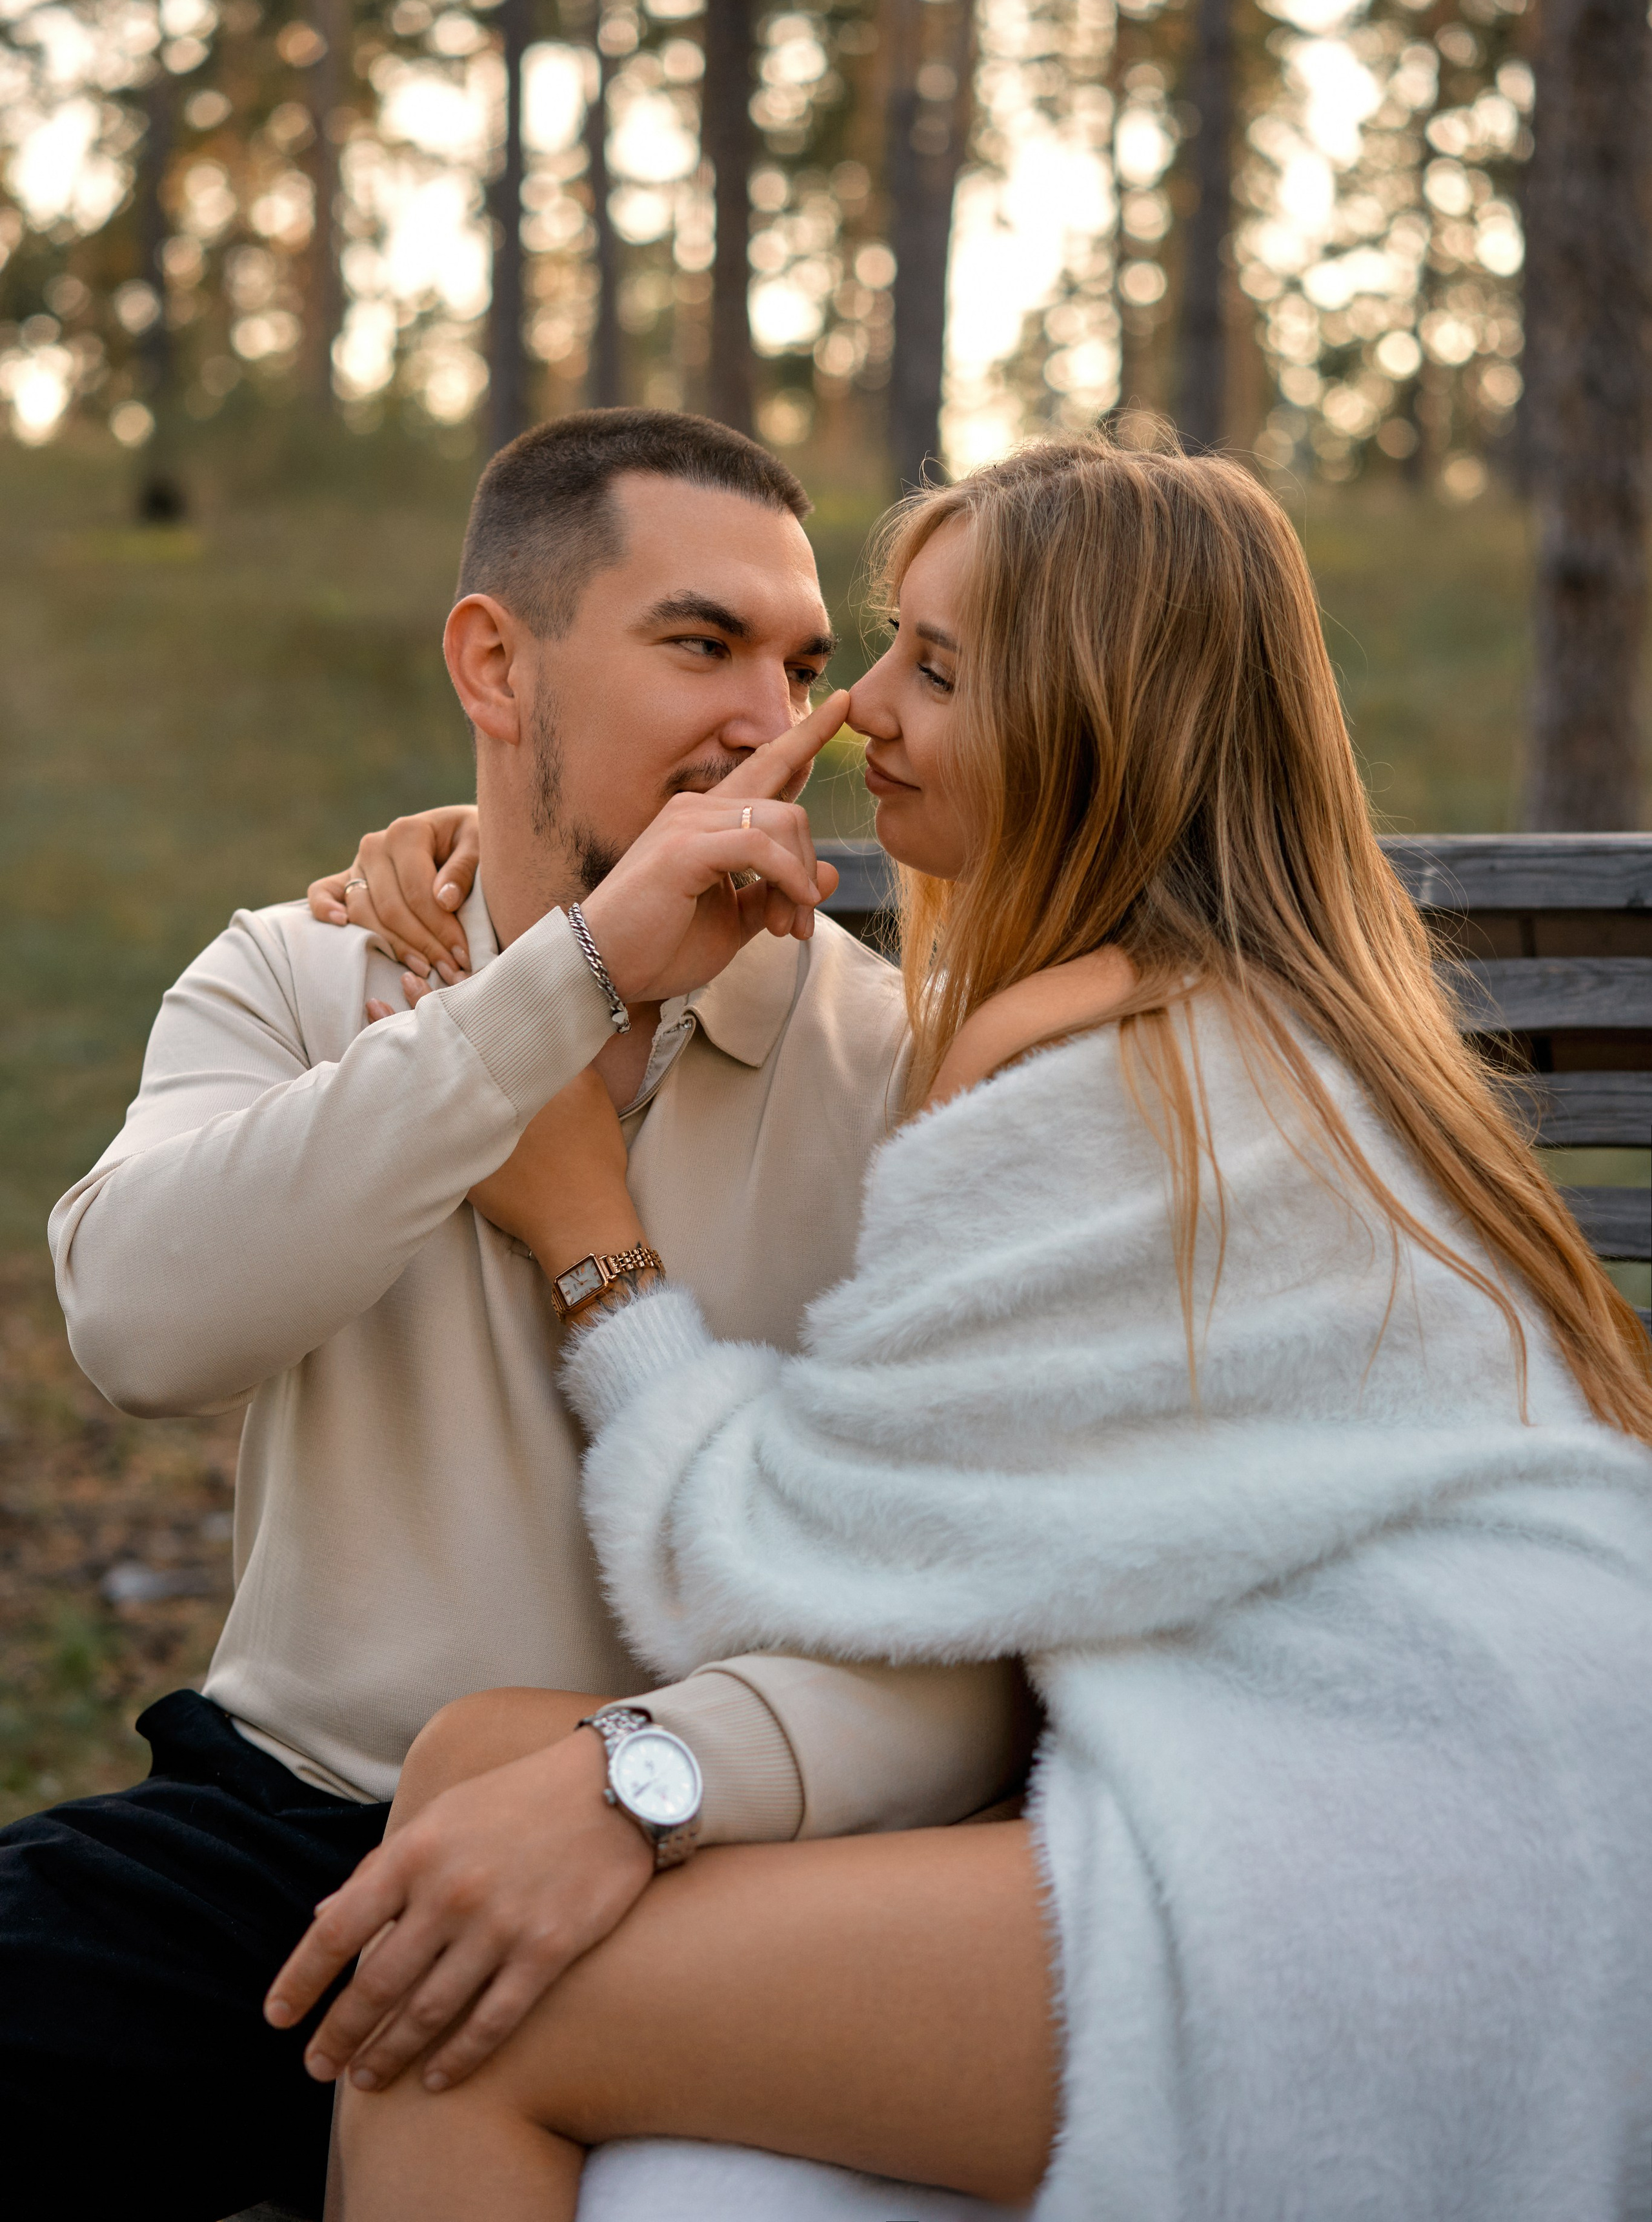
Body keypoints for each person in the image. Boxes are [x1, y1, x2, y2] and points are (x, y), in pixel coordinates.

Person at [270, 431, 1652, 2222]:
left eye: (934, 667)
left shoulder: (1101, 1070)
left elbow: (787, 1563)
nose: (859, 721)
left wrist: (584, 1229)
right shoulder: (1236, 1022)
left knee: (449, 2030)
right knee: (476, 1768)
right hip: (1473, 1778)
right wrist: (484, 849)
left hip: (1380, 1854)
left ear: (1093, 717)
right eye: (882, 657)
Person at [10, 410, 1029, 2222]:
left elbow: (962, 1635)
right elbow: (141, 1330)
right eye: (700, 645)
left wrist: (646, 1782)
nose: (774, 717)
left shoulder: (904, 1070)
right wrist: (556, 992)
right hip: (299, 1829)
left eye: (802, 660)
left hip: (706, 1846)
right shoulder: (301, 973)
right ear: (497, 664)